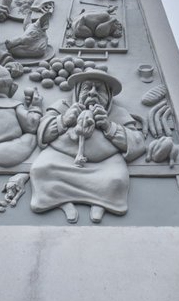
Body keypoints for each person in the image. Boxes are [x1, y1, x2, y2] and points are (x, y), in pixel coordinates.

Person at [30, 69, 145, 224]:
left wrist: (109, 126)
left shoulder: (117, 112)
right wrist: (64, 120)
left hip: (104, 164)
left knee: (116, 179)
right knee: (41, 169)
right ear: (77, 91)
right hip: (61, 159)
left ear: (109, 95)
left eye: (99, 89)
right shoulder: (63, 106)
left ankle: (101, 203)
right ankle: (61, 202)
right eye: (87, 88)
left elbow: (137, 142)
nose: (92, 93)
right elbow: (42, 133)